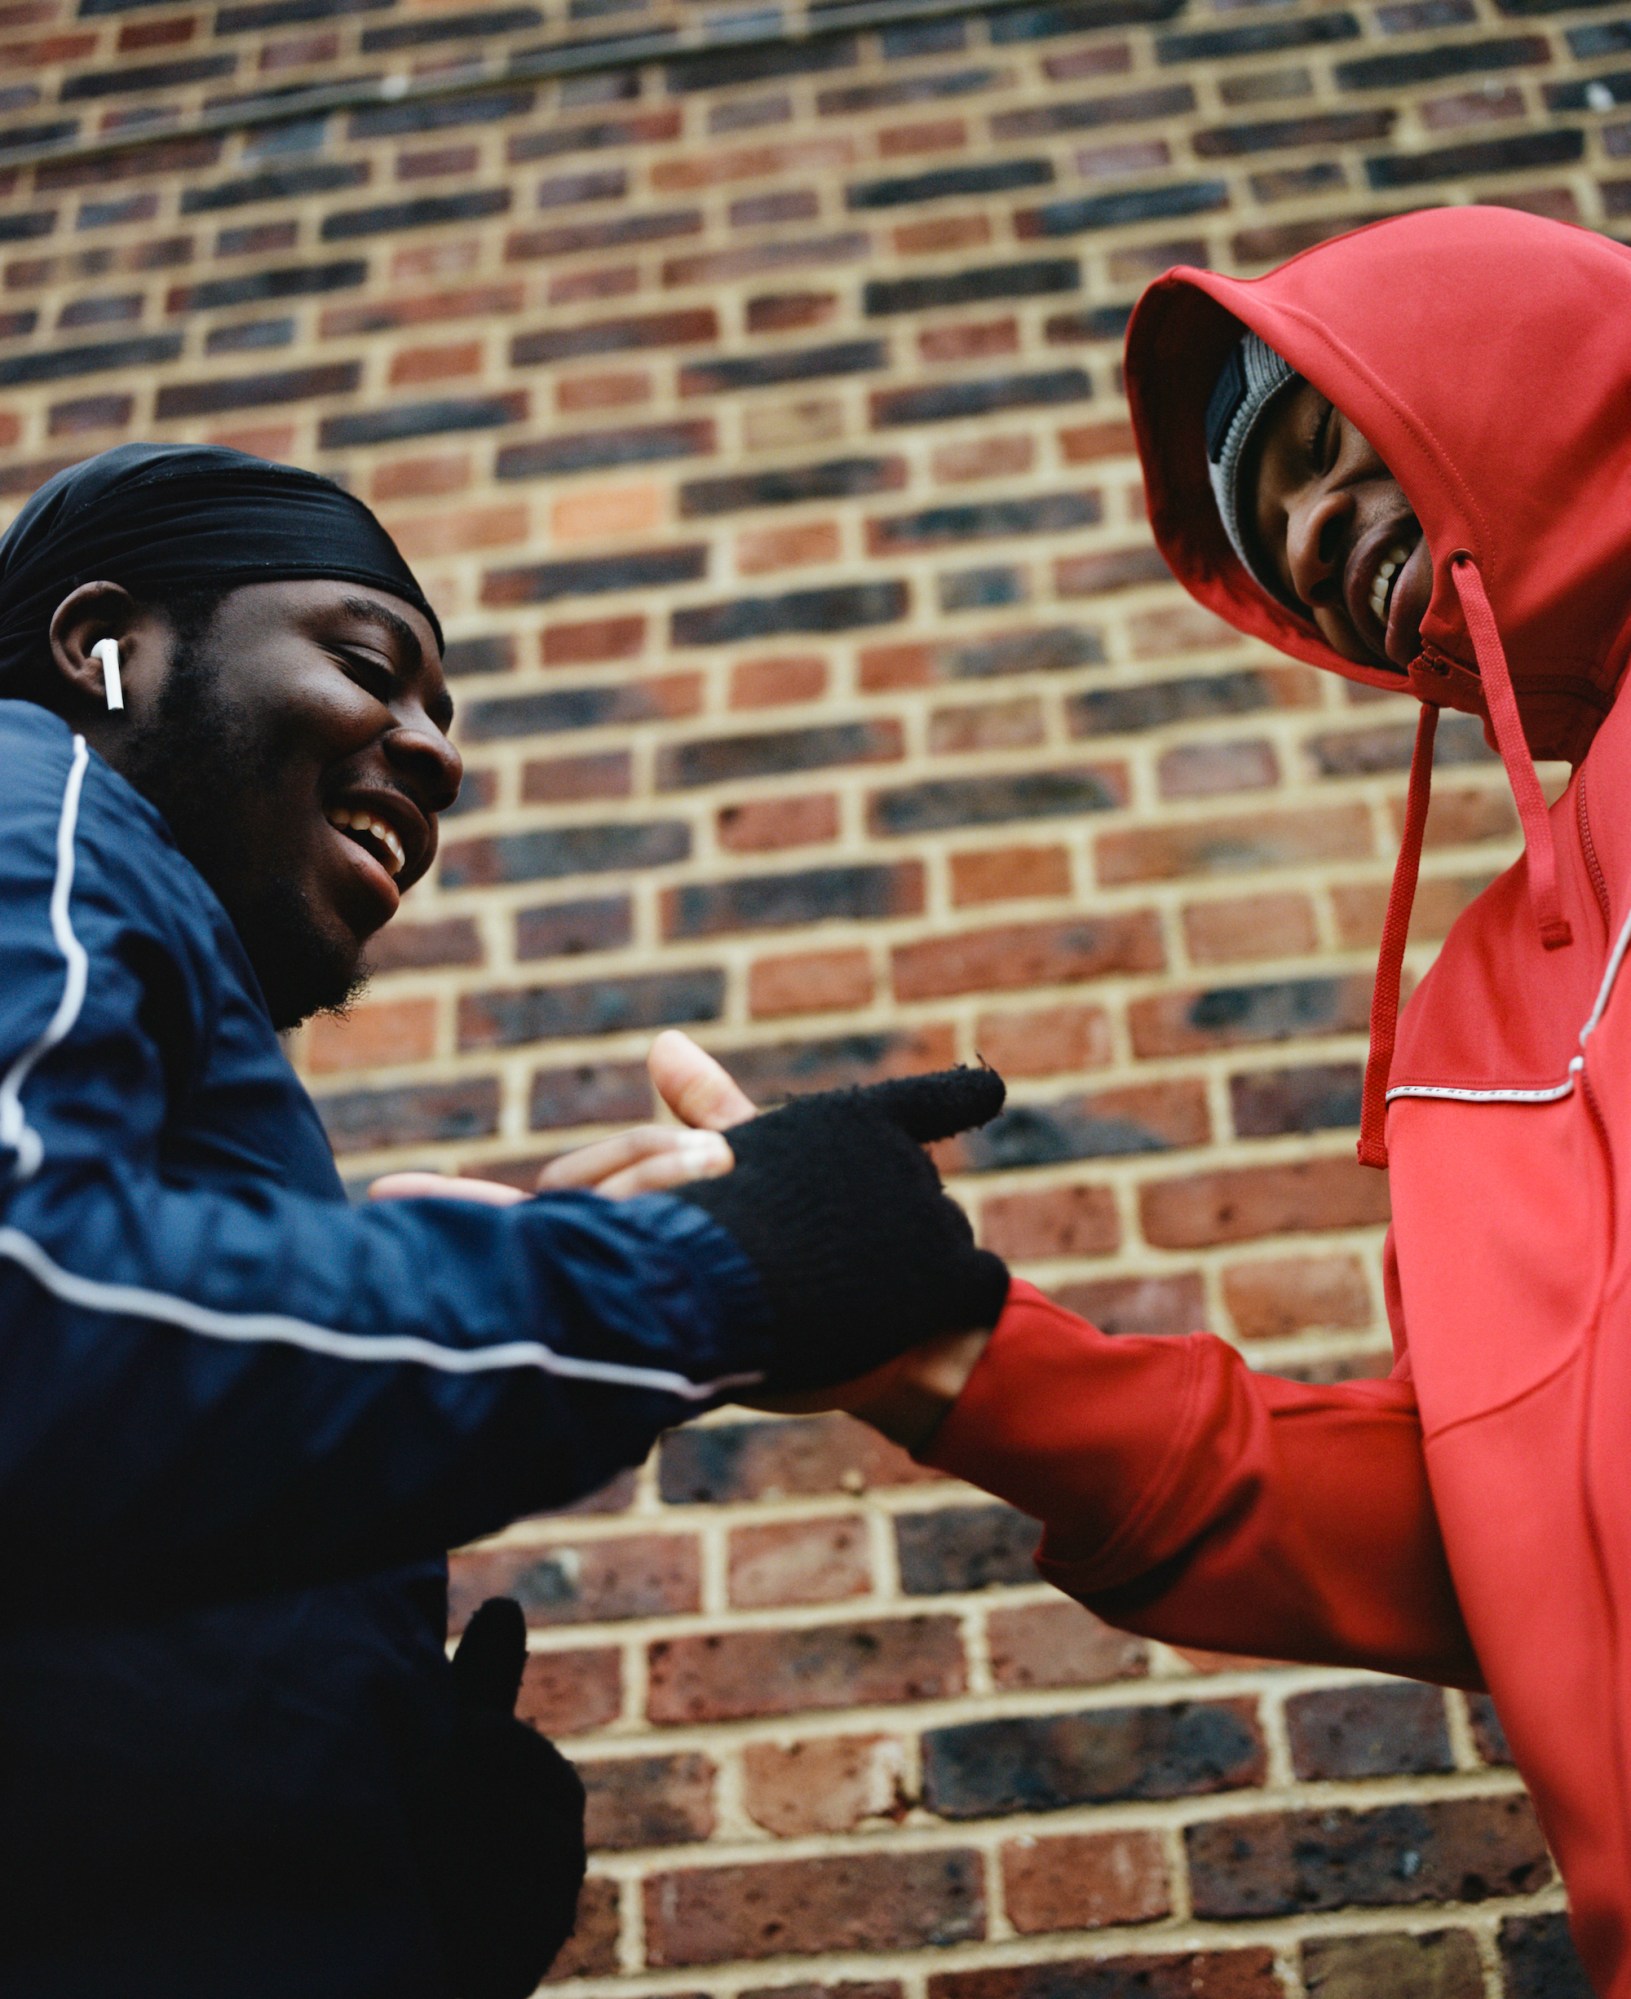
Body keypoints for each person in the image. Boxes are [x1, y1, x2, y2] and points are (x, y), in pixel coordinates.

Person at [572, 208, 1631, 1995]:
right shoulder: (1476, 1008)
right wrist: (935, 1348)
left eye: (1323, 445)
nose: (1299, 535)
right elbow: (1508, 1550)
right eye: (1269, 523)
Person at [0, 441, 1011, 1999]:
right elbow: (35, 1310)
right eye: (364, 665)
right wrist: (696, 1273)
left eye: (440, 712)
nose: (436, 754)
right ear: (103, 649)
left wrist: (372, 1814)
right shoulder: (36, 798)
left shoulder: (155, 997)